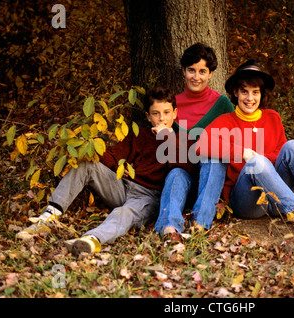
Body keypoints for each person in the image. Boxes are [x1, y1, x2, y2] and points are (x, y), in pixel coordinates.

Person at [17, 86, 196, 255]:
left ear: (175, 113)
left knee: (123, 213)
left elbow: (185, 169)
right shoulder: (139, 134)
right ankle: (49, 215)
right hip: (122, 187)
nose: (162, 119)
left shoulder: (182, 139)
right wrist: (118, 166)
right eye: (156, 114)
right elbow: (107, 154)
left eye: (166, 113)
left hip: (148, 197)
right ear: (148, 117)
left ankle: (92, 239)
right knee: (87, 164)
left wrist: (168, 138)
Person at [195, 60, 294, 247]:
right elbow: (200, 144)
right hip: (247, 202)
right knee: (256, 163)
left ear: (262, 94)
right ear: (235, 93)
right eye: (244, 91)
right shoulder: (226, 121)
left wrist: (262, 162)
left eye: (255, 92)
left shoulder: (272, 117)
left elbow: (283, 155)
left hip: (276, 199)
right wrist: (243, 153)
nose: (249, 98)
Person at [154, 43, 234, 239]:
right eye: (191, 70)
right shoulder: (172, 105)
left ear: (211, 74)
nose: (196, 77)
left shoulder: (222, 103)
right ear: (183, 71)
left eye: (202, 71)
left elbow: (234, 141)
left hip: (211, 181)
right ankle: (169, 229)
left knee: (214, 158)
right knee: (176, 173)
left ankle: (199, 223)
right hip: (184, 177)